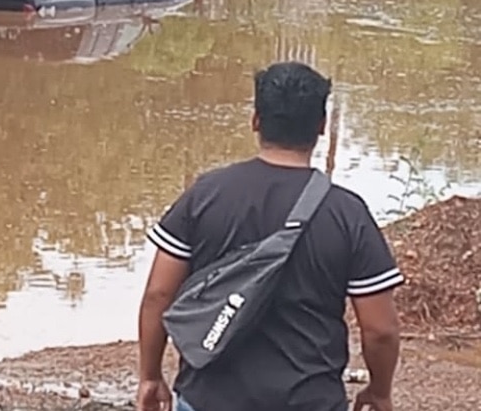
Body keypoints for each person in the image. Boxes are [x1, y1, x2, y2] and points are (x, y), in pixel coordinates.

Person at [138, 62, 402, 411]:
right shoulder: (347, 213)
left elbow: (159, 294)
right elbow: (380, 330)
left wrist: (150, 376)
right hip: (309, 400)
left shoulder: (205, 195)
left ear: (255, 121)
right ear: (321, 126)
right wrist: (379, 391)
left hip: (208, 400)